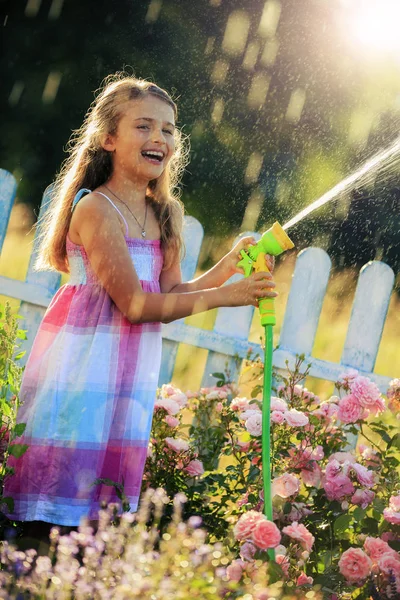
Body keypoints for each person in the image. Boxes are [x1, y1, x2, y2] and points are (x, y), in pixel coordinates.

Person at [4, 74, 276, 531]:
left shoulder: (165, 213)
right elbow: (134, 304)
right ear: (108, 138)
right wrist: (225, 298)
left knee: (103, 500)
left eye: (168, 130)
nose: (159, 138)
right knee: (64, 485)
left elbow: (167, 296)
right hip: (83, 368)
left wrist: (226, 269)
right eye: (143, 126)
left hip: (127, 373)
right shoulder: (96, 209)